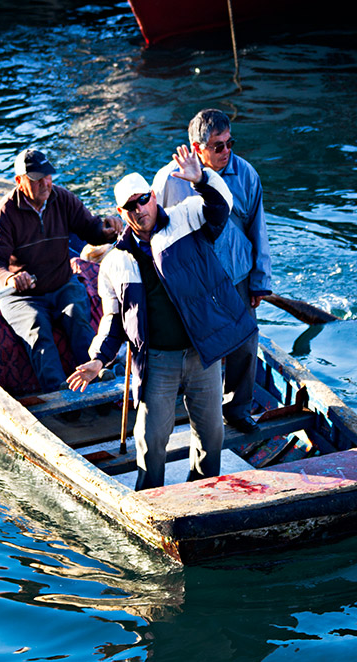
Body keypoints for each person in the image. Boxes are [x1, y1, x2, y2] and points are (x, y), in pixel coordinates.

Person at [67, 146, 257, 491]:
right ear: (121, 213)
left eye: (143, 200)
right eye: (129, 206)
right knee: (152, 438)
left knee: (211, 433)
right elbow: (113, 320)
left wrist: (201, 179)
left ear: (153, 197)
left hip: (202, 352)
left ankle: (204, 490)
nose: (139, 210)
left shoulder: (186, 218)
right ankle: (151, 494)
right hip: (157, 360)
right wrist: (97, 360)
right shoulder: (113, 263)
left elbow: (220, 208)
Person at [152, 109, 272, 433]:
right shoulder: (169, 180)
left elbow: (258, 229)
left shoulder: (246, 175)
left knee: (246, 343)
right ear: (196, 147)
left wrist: (259, 281)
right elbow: (153, 231)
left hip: (236, 275)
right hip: (195, 283)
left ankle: (238, 409)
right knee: (197, 349)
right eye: (218, 146)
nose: (227, 151)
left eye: (230, 142)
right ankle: (197, 412)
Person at [0, 148, 123, 392]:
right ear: (20, 181)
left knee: (78, 317)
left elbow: (91, 229)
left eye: (48, 176)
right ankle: (58, 394)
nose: (45, 183)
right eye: (37, 179)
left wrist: (107, 231)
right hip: (22, 297)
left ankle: (98, 377)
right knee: (37, 329)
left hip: (62, 283)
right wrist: (10, 279)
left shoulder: (62, 198)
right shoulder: (4, 214)